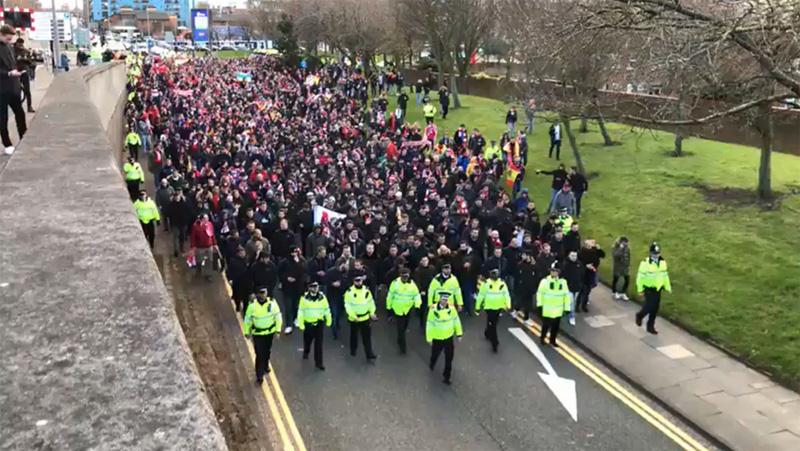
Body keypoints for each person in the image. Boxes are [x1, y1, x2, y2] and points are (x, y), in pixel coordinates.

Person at [243, 287, 283, 384]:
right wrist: (246, 331)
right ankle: (259, 375)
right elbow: (247, 319)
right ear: (258, 294)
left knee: (267, 351)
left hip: (269, 333)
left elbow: (278, 317)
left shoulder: (272, 304)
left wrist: (278, 330)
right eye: (261, 293)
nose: (263, 294)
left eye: (264, 292)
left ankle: (265, 365)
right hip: (258, 334)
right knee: (259, 354)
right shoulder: (252, 306)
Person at [0, 25, 26, 156]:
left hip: (13, 87)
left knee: (20, 113)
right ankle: (7, 144)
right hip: (2, 88)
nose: (10, 40)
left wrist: (19, 69)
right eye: (8, 37)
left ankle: (24, 137)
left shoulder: (9, 47)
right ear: (2, 34)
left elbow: (13, 64)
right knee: (2, 117)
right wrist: (9, 73)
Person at [427, 292, 463, 385]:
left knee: (449, 358)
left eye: (446, 300)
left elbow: (456, 320)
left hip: (448, 338)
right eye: (443, 299)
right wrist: (429, 338)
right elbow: (430, 324)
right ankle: (432, 362)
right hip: (437, 338)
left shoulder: (451, 309)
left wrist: (459, 333)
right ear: (439, 299)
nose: (444, 301)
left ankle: (447, 377)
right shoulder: (433, 309)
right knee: (435, 354)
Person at [635, 242, 671, 334]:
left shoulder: (662, 262)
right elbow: (640, 277)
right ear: (650, 253)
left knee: (655, 309)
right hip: (649, 288)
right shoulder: (645, 263)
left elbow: (665, 275)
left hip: (658, 289)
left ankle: (650, 326)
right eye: (654, 254)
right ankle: (640, 315)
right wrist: (640, 289)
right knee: (649, 306)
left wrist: (667, 286)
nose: (656, 255)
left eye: (658, 253)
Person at [386, 268, 422, 354]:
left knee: (405, 326)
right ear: (400, 276)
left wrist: (417, 305)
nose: (405, 278)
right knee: (400, 328)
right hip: (398, 309)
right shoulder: (395, 283)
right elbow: (390, 295)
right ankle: (403, 346)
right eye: (403, 276)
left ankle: (400, 338)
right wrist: (389, 306)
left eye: (406, 276)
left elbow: (416, 295)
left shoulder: (412, 284)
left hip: (407, 309)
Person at [297, 281, 331, 370]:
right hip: (308, 324)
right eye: (312, 286)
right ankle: (306, 351)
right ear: (309, 288)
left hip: (319, 323)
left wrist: (329, 319)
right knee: (308, 340)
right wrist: (301, 323)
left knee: (319, 344)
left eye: (316, 286)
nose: (315, 288)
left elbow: (326, 309)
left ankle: (319, 363)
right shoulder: (304, 298)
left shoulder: (322, 297)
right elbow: (301, 311)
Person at [475, 268, 511, 353]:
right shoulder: (486, 284)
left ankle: (487, 332)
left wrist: (508, 305)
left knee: (492, 323)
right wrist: (477, 307)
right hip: (489, 308)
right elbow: (481, 296)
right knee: (493, 325)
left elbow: (506, 294)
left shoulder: (502, 283)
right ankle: (495, 342)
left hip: (498, 308)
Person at [344, 275, 378, 361]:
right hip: (354, 319)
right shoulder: (349, 292)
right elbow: (347, 306)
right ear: (353, 281)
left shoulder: (366, 291)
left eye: (360, 280)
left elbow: (370, 302)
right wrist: (353, 316)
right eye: (357, 280)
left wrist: (372, 313)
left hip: (365, 318)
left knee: (367, 337)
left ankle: (369, 353)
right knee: (354, 336)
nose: (359, 282)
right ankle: (353, 349)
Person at [536, 262, 571, 346]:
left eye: (555, 271)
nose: (553, 272)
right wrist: (540, 305)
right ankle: (542, 338)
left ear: (559, 272)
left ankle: (552, 340)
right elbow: (540, 293)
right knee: (546, 326)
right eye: (552, 271)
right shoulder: (544, 281)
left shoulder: (563, 282)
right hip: (547, 309)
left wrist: (567, 308)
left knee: (555, 327)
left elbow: (566, 296)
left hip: (558, 310)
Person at [577, 239, 605, 312]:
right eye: (590, 243)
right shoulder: (582, 251)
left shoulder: (595, 251)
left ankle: (584, 305)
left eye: (593, 243)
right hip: (583, 273)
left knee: (588, 290)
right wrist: (586, 266)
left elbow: (602, 255)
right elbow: (579, 262)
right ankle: (577, 306)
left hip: (591, 273)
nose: (592, 244)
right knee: (581, 290)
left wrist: (599, 249)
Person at [190, 213, 218, 282]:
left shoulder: (210, 224)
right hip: (200, 247)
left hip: (209, 246)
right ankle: (198, 270)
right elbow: (193, 237)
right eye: (205, 218)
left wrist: (215, 244)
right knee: (199, 260)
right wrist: (193, 246)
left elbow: (212, 235)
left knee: (209, 261)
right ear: (202, 219)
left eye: (207, 218)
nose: (207, 219)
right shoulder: (195, 226)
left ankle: (208, 275)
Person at [561, 250, 584, 326]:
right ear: (569, 256)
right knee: (572, 303)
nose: (574, 257)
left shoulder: (579, 264)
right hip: (568, 287)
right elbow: (563, 275)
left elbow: (581, 274)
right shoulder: (565, 264)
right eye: (572, 256)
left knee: (572, 301)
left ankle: (566, 311)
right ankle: (572, 317)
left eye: (575, 256)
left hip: (577, 287)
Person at [13, 38, 34, 113]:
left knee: (27, 90)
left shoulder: (25, 51)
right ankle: (18, 107)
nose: (20, 46)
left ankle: (29, 106)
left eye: (21, 45)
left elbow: (31, 62)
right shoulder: (12, 50)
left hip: (24, 71)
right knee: (16, 91)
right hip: (15, 72)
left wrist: (26, 59)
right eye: (19, 44)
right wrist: (17, 59)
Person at [612, 236, 631, 300]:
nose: (626, 244)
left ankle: (623, 292)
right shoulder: (615, 247)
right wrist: (620, 248)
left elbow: (628, 256)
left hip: (625, 267)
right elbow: (616, 255)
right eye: (625, 243)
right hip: (618, 267)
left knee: (627, 280)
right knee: (616, 279)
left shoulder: (627, 248)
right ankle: (614, 292)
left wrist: (628, 265)